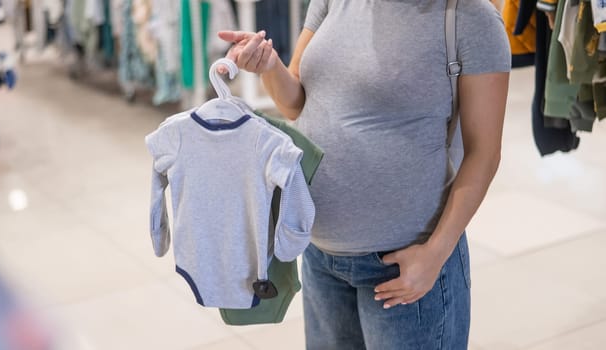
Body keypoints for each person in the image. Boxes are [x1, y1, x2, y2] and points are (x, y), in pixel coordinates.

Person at [218, 0, 511, 348]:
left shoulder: (470, 17)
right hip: (321, 258)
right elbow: (295, 102)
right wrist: (269, 65)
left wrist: (434, 254)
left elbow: (484, 153)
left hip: (404, 267)